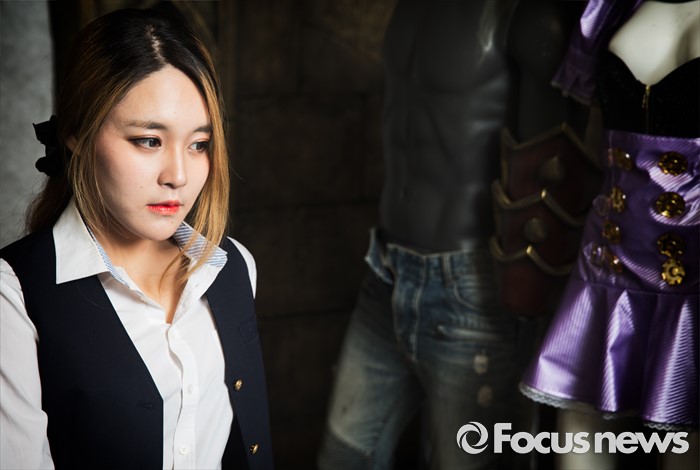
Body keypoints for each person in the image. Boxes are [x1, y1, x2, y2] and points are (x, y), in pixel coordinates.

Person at [317, 0, 591, 468]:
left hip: (473, 289)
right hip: (385, 270)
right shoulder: (408, 8)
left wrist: (525, 303)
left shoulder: (529, 15)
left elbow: (550, 183)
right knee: (342, 459)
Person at [0, 8, 273, 469]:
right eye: (149, 140)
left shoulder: (232, 266)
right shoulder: (14, 297)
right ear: (77, 134)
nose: (178, 176)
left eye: (199, 144)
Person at [520, 0, 699, 469]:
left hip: (695, 275)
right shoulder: (606, 7)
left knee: (684, 433)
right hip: (609, 258)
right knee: (578, 420)